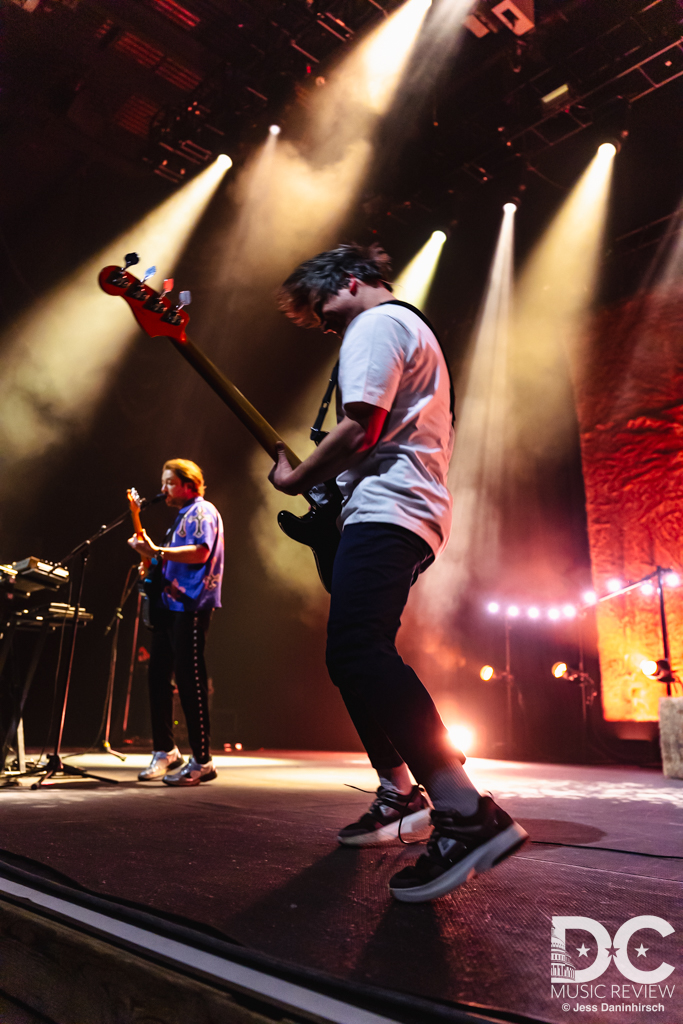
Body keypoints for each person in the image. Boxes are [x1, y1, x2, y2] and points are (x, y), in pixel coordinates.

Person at [269, 244, 527, 902]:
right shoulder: (401, 328)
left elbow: (362, 428)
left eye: (325, 309)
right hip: (392, 508)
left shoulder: (377, 323)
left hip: (391, 508)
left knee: (358, 649)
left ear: (351, 281)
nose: (326, 324)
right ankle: (402, 792)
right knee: (353, 656)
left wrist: (295, 479)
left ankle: (465, 811)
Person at [128, 458, 224, 787]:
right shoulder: (182, 516)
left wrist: (156, 551)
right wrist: (149, 553)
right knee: (158, 676)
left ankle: (203, 761)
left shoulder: (202, 512)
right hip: (170, 605)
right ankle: (165, 750)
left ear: (189, 485)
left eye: (169, 482)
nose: (163, 489)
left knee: (189, 679)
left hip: (191, 605)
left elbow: (200, 552)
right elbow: (164, 556)